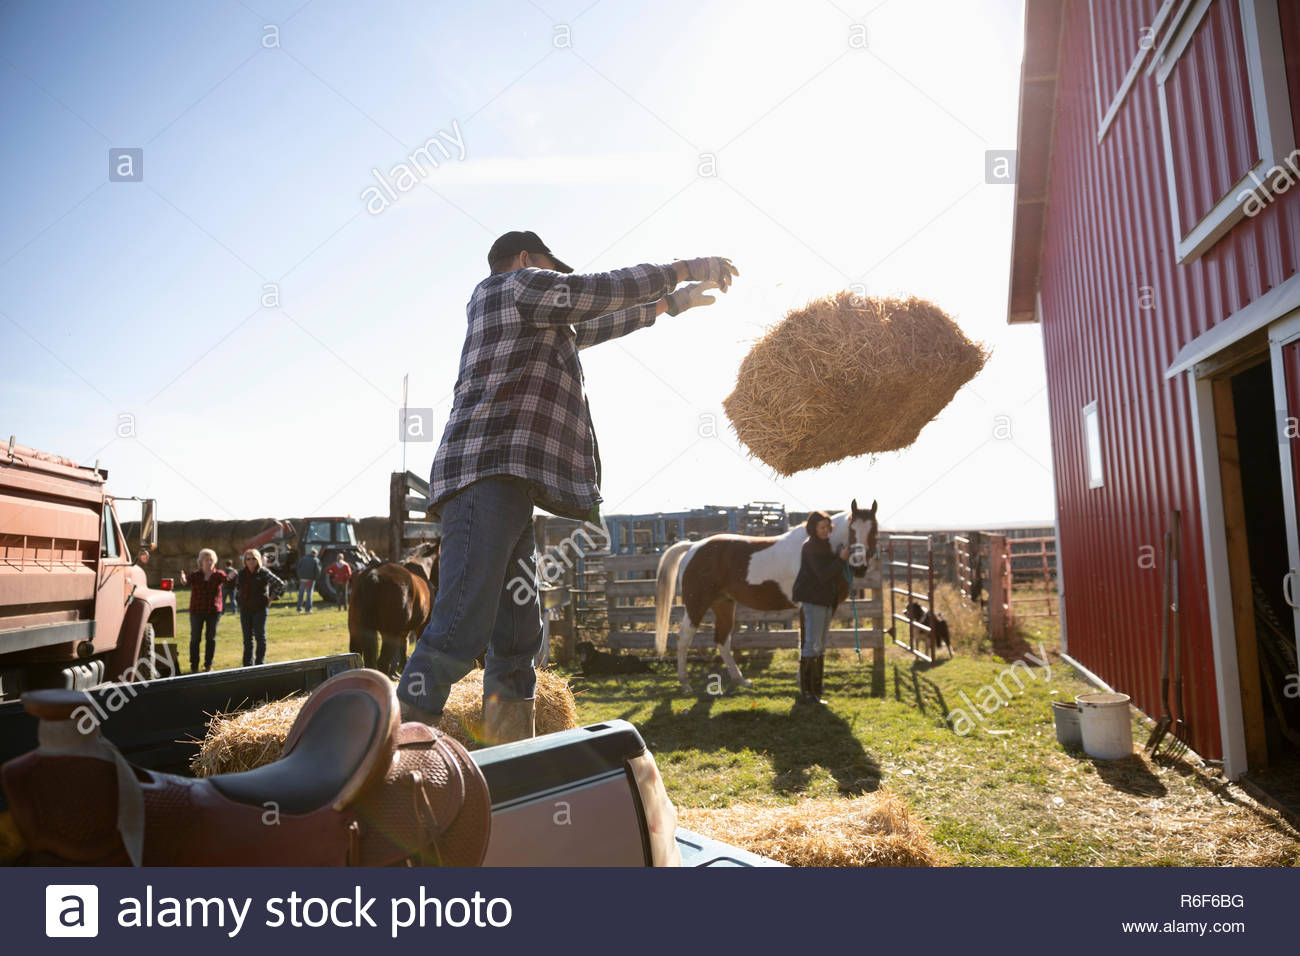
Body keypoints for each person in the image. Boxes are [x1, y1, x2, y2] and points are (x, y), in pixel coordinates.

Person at [397, 229, 737, 742]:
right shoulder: (510, 288)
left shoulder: (530, 314)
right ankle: (393, 751)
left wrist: (667, 304)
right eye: (554, 269)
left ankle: (510, 755)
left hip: (509, 483)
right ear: (528, 259)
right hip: (484, 474)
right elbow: (592, 293)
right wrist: (683, 267)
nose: (559, 277)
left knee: (517, 636)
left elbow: (592, 323)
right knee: (459, 626)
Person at [791, 511, 848, 704]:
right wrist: (840, 559)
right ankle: (807, 692)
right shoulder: (810, 547)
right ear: (813, 528)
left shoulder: (824, 546)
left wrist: (839, 557)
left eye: (827, 527)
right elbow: (823, 575)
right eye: (822, 527)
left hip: (823, 600)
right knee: (811, 645)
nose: (826, 531)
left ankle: (816, 691)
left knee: (820, 645)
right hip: (813, 600)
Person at [187, 548, 236, 674]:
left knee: (211, 638)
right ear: (201, 561)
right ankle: (194, 666)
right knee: (195, 638)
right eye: (206, 560)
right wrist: (182, 579)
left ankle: (208, 665)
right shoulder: (195, 575)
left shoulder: (218, 574)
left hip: (213, 611)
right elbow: (185, 582)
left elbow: (227, 580)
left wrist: (231, 577)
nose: (209, 562)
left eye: (211, 560)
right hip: (197, 610)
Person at [236, 549, 284, 666]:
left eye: (254, 558)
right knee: (247, 638)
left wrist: (271, 598)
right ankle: (247, 664)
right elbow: (237, 587)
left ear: (258, 560)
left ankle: (260, 662)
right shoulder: (241, 573)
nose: (251, 561)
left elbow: (280, 584)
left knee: (259, 636)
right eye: (248, 559)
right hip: (245, 609)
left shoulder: (263, 572)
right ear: (245, 561)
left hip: (260, 608)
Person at [296, 548, 321, 613]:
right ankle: (308, 609)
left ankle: (299, 608)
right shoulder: (315, 560)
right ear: (315, 554)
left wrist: (300, 576)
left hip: (302, 579)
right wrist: (316, 578)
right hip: (311, 579)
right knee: (309, 593)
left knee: (301, 593)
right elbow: (317, 571)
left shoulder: (303, 559)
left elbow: (298, 568)